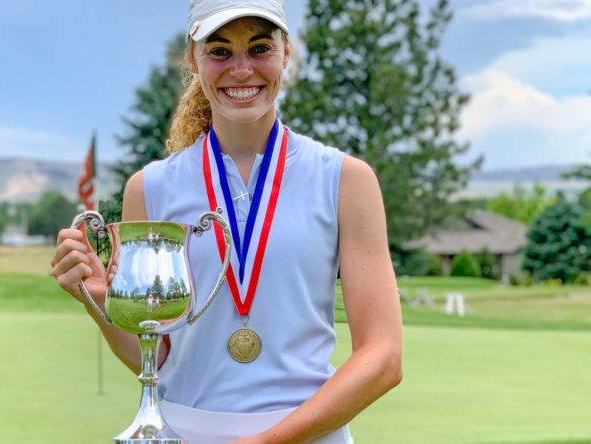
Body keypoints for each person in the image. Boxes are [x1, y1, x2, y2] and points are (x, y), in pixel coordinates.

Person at [50, 0, 403, 442]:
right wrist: (98, 302)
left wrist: (265, 441)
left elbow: (384, 358)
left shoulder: (345, 179)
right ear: (192, 59)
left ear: (286, 54)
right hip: (185, 432)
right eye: (219, 51)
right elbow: (157, 356)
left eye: (259, 48)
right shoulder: (150, 188)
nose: (241, 69)